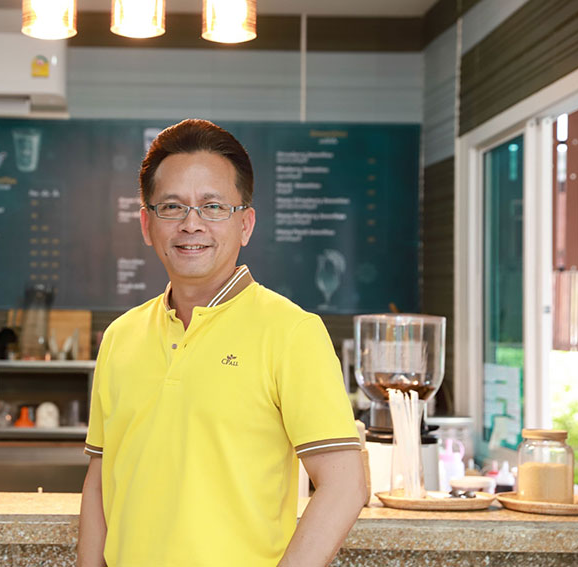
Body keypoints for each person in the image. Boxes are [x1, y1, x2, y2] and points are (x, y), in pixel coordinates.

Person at [78, 119, 366, 567]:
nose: (191, 224)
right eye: (171, 207)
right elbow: (100, 479)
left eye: (213, 207)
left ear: (245, 224)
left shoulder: (292, 332)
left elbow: (345, 484)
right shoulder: (120, 336)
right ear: (147, 224)